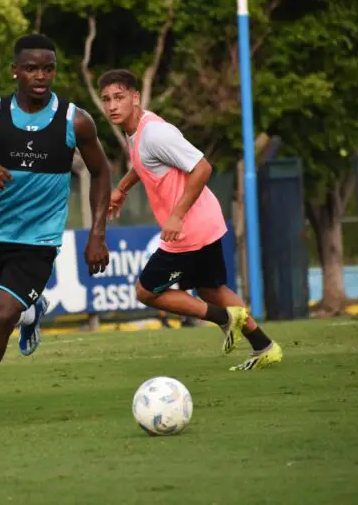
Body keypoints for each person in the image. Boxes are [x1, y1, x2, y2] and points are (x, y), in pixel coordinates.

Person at [0, 34, 111, 432]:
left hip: (39, 241)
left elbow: (101, 172)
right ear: (15, 70)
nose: (41, 75)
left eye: (48, 68)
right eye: (32, 68)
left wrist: (96, 234)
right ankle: (32, 311)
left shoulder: (74, 120)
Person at [99, 69, 282, 371]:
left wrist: (176, 215)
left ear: (135, 97)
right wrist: (121, 189)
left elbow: (203, 168)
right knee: (211, 290)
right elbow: (142, 163)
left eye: (119, 97)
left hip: (189, 230)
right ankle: (264, 346)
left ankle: (225, 318)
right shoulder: (138, 131)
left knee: (146, 291)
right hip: (205, 222)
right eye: (106, 100)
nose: (112, 106)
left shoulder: (156, 133)